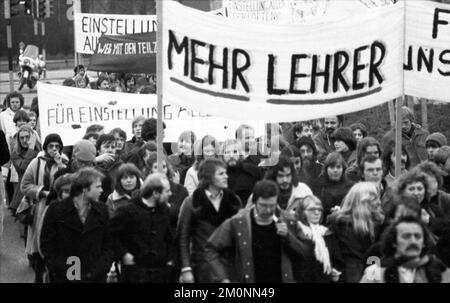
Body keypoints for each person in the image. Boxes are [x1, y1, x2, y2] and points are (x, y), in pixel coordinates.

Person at [205, 180, 312, 283]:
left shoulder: (289, 221)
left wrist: (288, 237)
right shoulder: (238, 222)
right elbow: (211, 249)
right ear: (255, 202)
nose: (268, 210)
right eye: (263, 205)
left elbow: (307, 252)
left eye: (272, 205)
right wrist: (223, 278)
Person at [40, 167, 113, 282]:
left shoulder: (102, 210)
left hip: (95, 277)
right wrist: (61, 269)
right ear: (84, 189)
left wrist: (101, 268)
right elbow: (47, 245)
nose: (102, 191)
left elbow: (108, 244)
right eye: (98, 187)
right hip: (65, 276)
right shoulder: (56, 211)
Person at [177, 158, 242, 283]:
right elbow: (182, 238)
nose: (226, 177)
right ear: (209, 177)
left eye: (226, 173)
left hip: (229, 268)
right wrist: (186, 268)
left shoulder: (233, 201)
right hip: (202, 268)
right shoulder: (191, 202)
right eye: (221, 174)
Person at [110, 173, 176, 283]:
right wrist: (124, 254)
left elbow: (171, 239)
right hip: (135, 274)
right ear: (155, 193)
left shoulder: (167, 212)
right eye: (167, 191)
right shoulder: (127, 212)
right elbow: (111, 235)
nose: (170, 194)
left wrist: (171, 260)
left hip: (161, 275)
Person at [21, 134, 67, 282]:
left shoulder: (64, 163)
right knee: (41, 248)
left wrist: (60, 166)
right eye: (51, 146)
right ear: (45, 147)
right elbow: (25, 185)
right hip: (40, 208)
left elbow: (68, 184)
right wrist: (42, 192)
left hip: (59, 208)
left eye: (57, 146)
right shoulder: (36, 163)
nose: (54, 149)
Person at [361, 216, 450, 283]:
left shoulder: (441, 271)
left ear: (423, 243)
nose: (413, 241)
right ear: (394, 242)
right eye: (406, 236)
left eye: (417, 236)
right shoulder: (375, 272)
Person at [327, 182, 384, 283]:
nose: (379, 202)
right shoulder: (338, 223)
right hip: (348, 276)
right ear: (362, 201)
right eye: (374, 199)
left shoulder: (380, 223)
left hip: (373, 275)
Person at [293, 195, 344, 282]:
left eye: (320, 210)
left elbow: (337, 260)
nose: (317, 213)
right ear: (302, 212)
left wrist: (335, 271)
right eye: (312, 209)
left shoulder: (327, 233)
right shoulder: (297, 233)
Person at [313, 152, 354, 219]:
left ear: (343, 169)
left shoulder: (350, 187)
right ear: (326, 169)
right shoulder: (319, 186)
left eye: (338, 167)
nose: (335, 170)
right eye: (332, 167)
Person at [9, 125, 41, 212]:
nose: (24, 140)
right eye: (21, 138)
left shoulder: (40, 152)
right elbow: (22, 168)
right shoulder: (15, 154)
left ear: (33, 137)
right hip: (22, 196)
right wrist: (30, 149)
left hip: (38, 192)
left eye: (27, 137)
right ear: (18, 140)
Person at [223, 139, 263, 204]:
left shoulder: (253, 170)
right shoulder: (219, 174)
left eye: (235, 152)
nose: (231, 155)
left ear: (240, 153)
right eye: (227, 152)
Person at [94, 134, 123, 203]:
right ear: (98, 150)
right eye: (106, 147)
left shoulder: (122, 166)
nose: (110, 150)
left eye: (113, 147)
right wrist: (95, 160)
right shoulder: (92, 166)